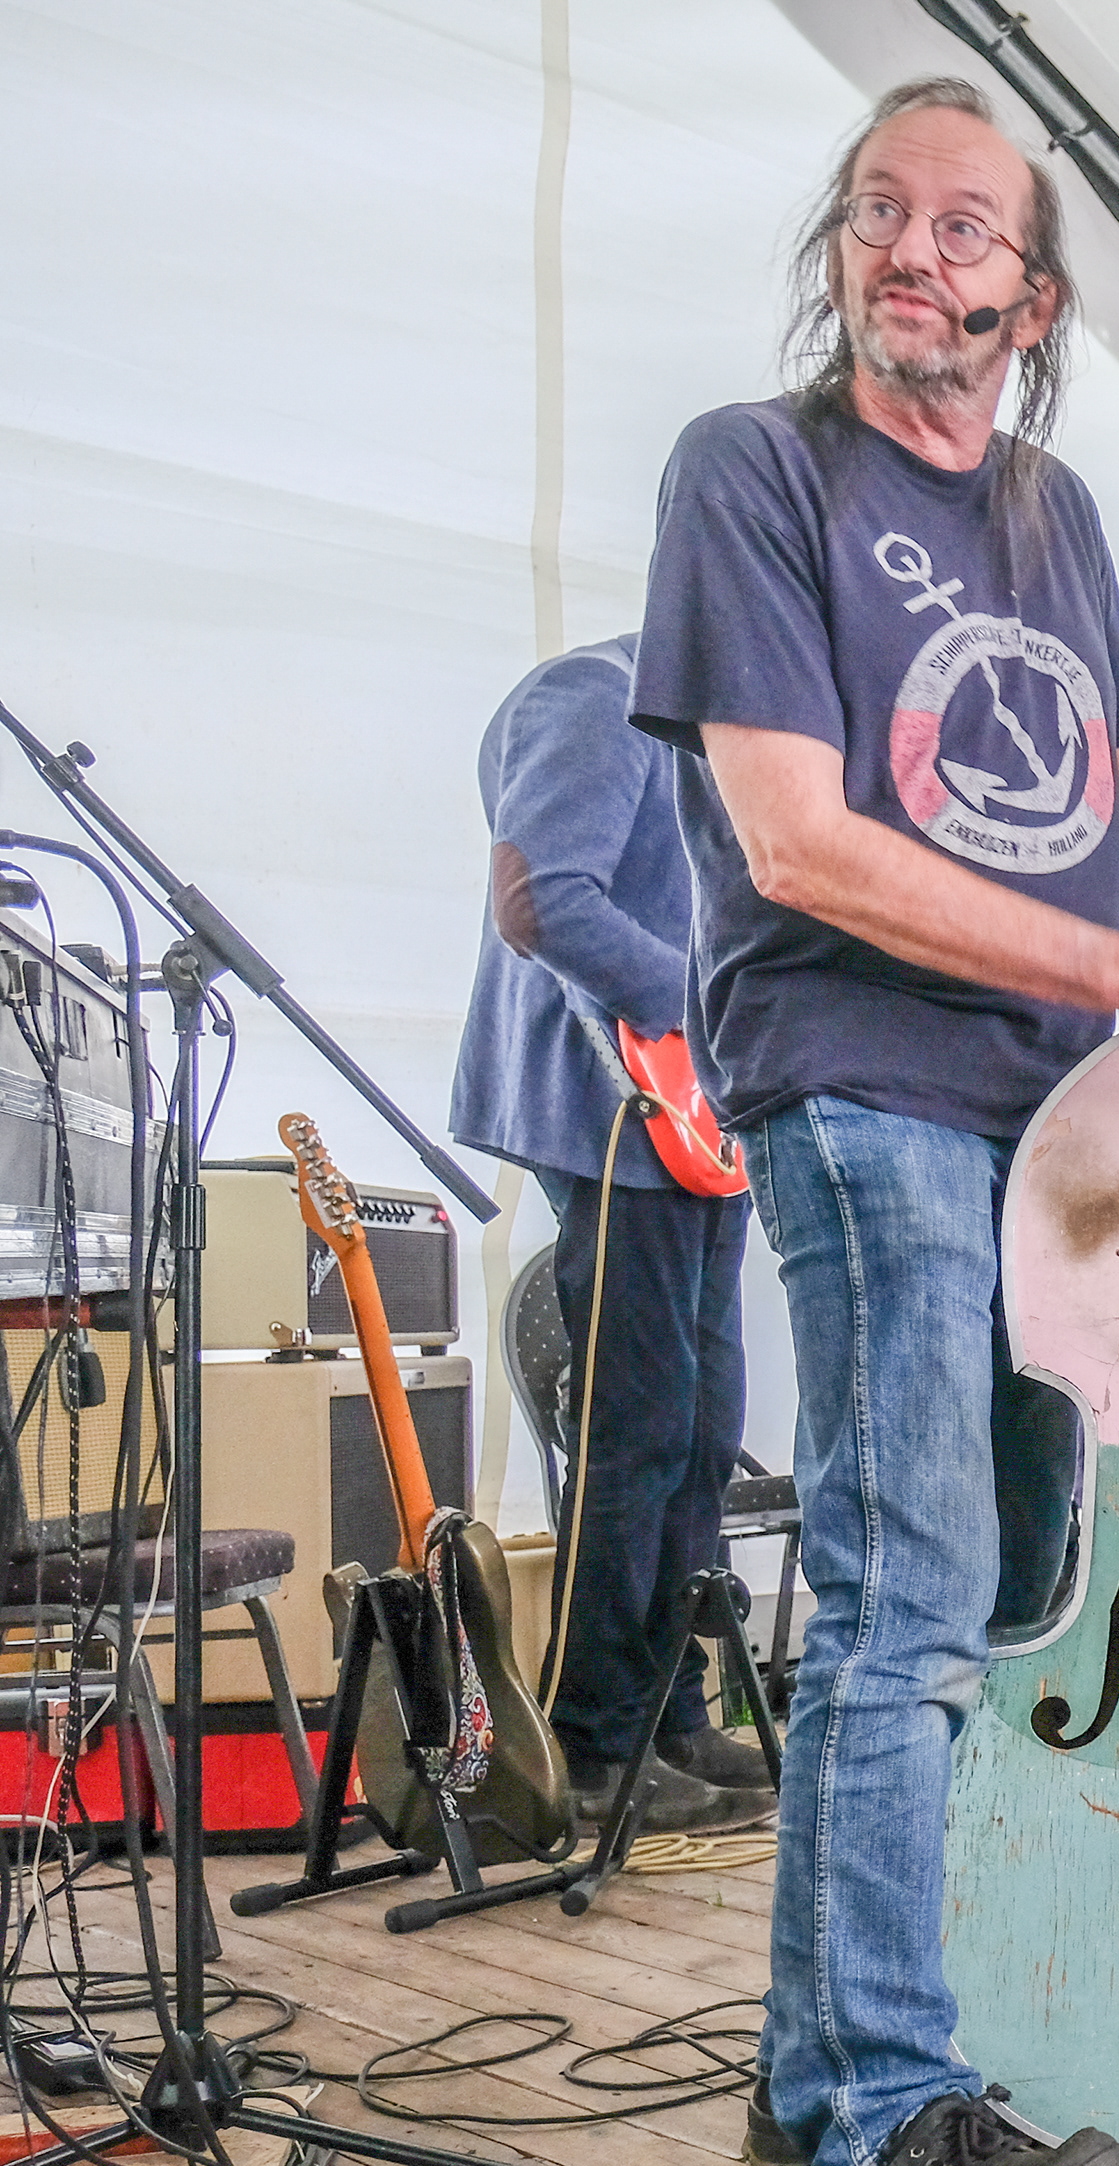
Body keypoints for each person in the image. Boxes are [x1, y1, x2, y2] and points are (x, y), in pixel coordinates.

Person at [632, 78, 1119, 2166]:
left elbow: (1102, 835)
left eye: (966, 226)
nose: (915, 249)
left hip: (1039, 1123)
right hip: (859, 1090)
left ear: (1034, 297)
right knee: (907, 1592)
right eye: (883, 210)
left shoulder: (1046, 510)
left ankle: (806, 2069)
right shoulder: (750, 472)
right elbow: (804, 846)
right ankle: (884, 2140)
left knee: (1000, 1582)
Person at [446, 637, 772, 1839]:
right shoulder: (592, 694)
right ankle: (587, 1735)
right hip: (607, 1105)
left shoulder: (731, 721)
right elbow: (544, 903)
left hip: (700, 1109)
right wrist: (710, 1007)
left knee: (700, 1418)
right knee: (636, 1421)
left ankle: (664, 1710)